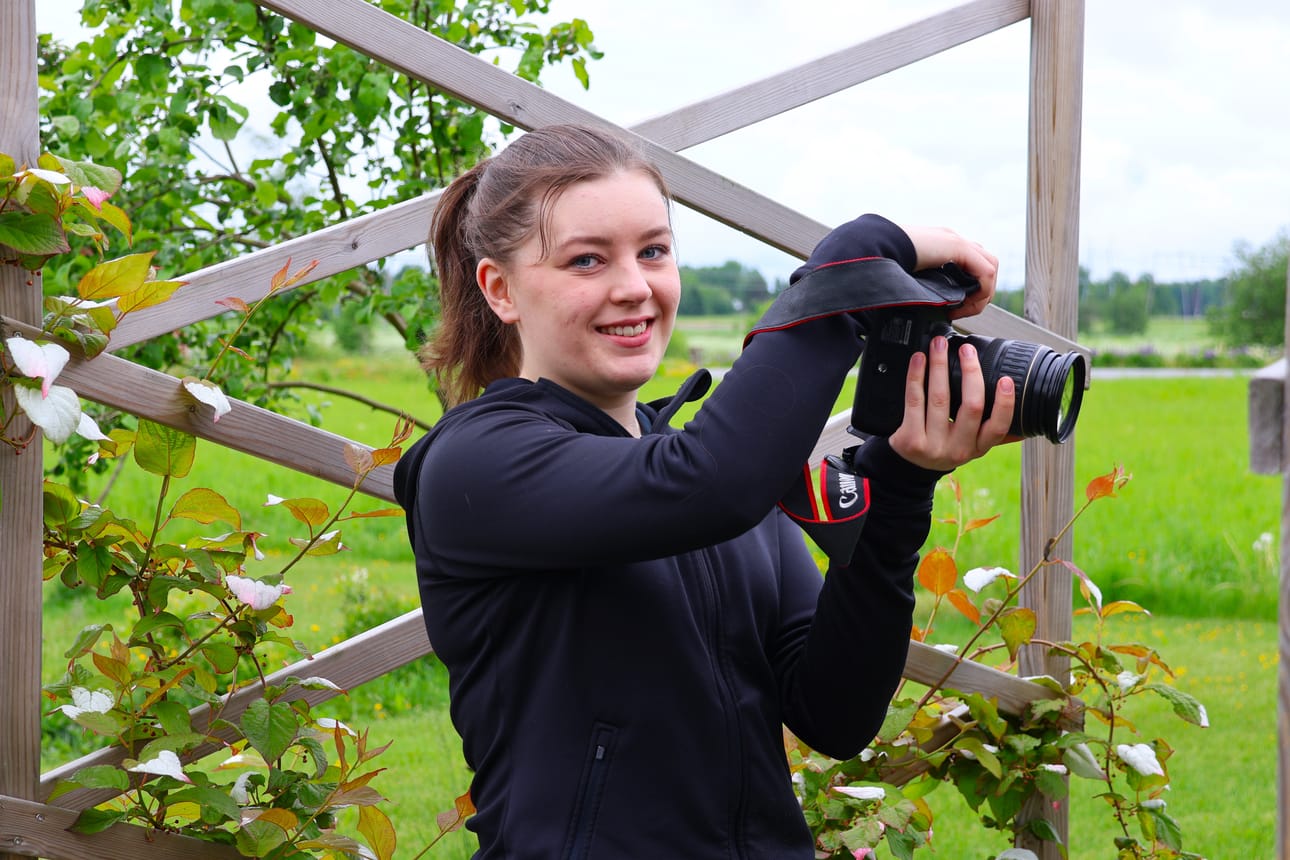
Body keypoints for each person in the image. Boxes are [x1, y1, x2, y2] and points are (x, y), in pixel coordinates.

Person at [393, 123, 1016, 860]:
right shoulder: (478, 464)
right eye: (586, 260)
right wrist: (851, 271)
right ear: (500, 290)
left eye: (653, 251)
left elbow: (835, 712)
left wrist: (903, 486)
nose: (634, 287)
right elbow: (707, 484)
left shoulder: (715, 473)